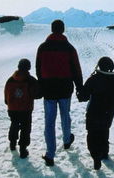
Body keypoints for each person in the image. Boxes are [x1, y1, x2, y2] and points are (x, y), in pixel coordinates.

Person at [36, 20, 83, 166]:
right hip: (65, 89)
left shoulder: (43, 47)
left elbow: (38, 68)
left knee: (49, 121)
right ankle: (67, 140)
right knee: (65, 115)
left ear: (51, 29)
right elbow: (76, 68)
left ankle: (50, 154)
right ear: (63, 30)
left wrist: (43, 83)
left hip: (49, 90)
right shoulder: (69, 48)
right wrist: (79, 86)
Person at [77, 57, 114, 170]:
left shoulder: (94, 79)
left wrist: (79, 91)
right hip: (108, 113)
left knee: (92, 134)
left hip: (94, 111)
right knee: (104, 131)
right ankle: (104, 153)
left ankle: (96, 156)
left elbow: (83, 97)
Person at [4, 58, 41, 159]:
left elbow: (6, 96)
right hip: (26, 109)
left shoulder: (10, 79)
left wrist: (9, 103)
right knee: (25, 128)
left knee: (14, 123)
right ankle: (23, 149)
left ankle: (12, 143)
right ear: (28, 67)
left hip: (12, 109)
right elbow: (37, 94)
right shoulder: (31, 80)